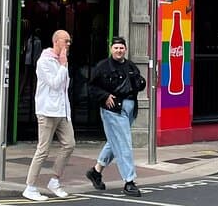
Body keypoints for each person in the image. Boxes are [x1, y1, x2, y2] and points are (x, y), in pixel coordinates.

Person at [86, 36, 146, 198]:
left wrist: (140, 83)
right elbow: (91, 87)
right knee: (124, 143)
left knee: (115, 142)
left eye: (121, 48)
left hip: (129, 110)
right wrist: (104, 96)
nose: (119, 50)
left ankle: (96, 171)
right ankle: (129, 181)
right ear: (111, 49)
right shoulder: (102, 67)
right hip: (113, 110)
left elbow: (139, 83)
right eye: (116, 48)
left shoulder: (130, 65)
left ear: (125, 49)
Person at [22, 30, 75, 202]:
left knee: (69, 144)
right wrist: (63, 65)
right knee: (43, 150)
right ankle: (30, 187)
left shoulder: (61, 62)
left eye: (69, 41)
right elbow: (54, 83)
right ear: (56, 41)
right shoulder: (44, 61)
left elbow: (65, 86)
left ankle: (55, 180)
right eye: (65, 41)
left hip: (62, 110)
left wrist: (63, 65)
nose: (68, 44)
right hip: (47, 111)